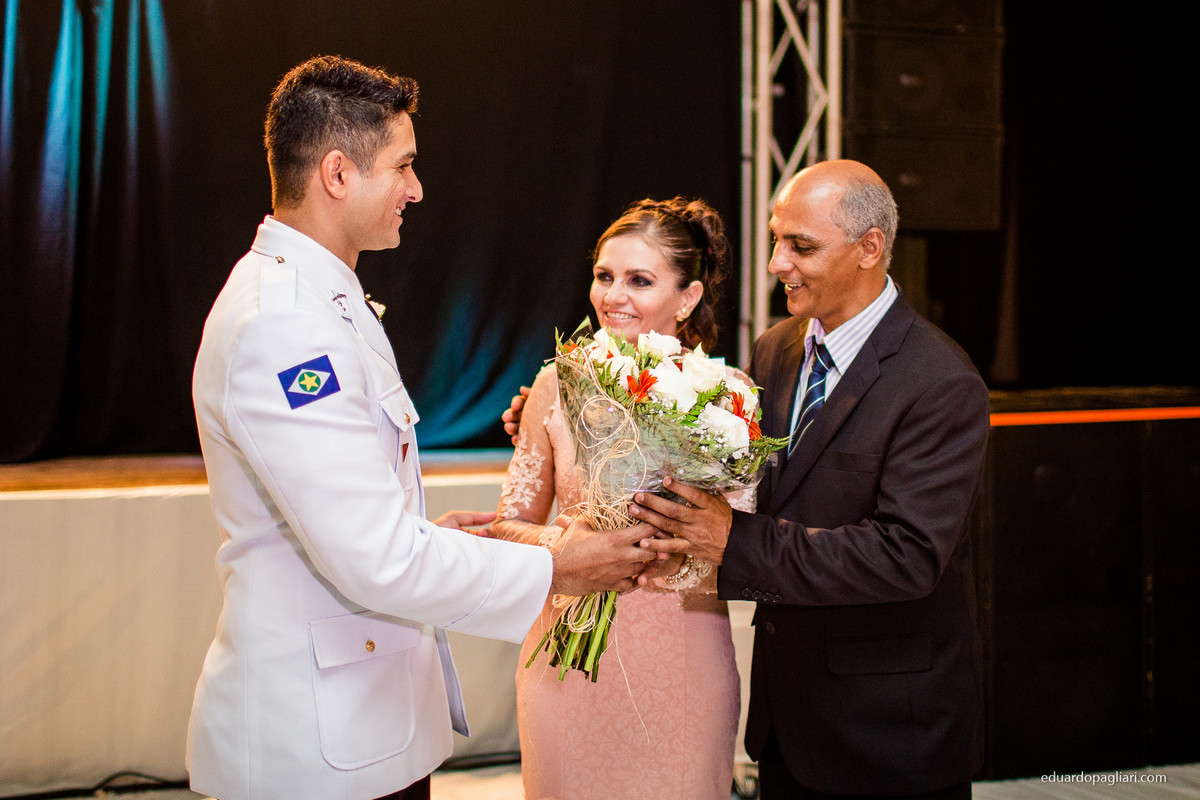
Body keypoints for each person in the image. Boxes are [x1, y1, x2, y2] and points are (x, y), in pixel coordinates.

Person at [187, 55, 656, 800]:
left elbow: (352, 523)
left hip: (364, 725)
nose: (417, 189)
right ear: (338, 174)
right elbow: (374, 560)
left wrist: (432, 538)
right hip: (313, 751)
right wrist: (559, 566)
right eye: (403, 166)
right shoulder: (285, 325)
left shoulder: (323, 298)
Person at [632, 160, 990, 799]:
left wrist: (732, 542)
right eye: (775, 239)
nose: (776, 263)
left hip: (887, 736)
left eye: (801, 246)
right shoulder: (776, 349)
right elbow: (741, 475)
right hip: (787, 726)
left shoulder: (940, 383)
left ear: (869, 249)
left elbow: (905, 557)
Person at [491, 197, 744, 800]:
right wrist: (577, 547)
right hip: (565, 653)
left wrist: (681, 548)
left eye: (639, 280)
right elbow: (508, 527)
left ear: (686, 298)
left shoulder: (728, 401)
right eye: (604, 276)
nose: (612, 296)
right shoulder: (554, 385)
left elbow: (744, 544)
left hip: (682, 657)